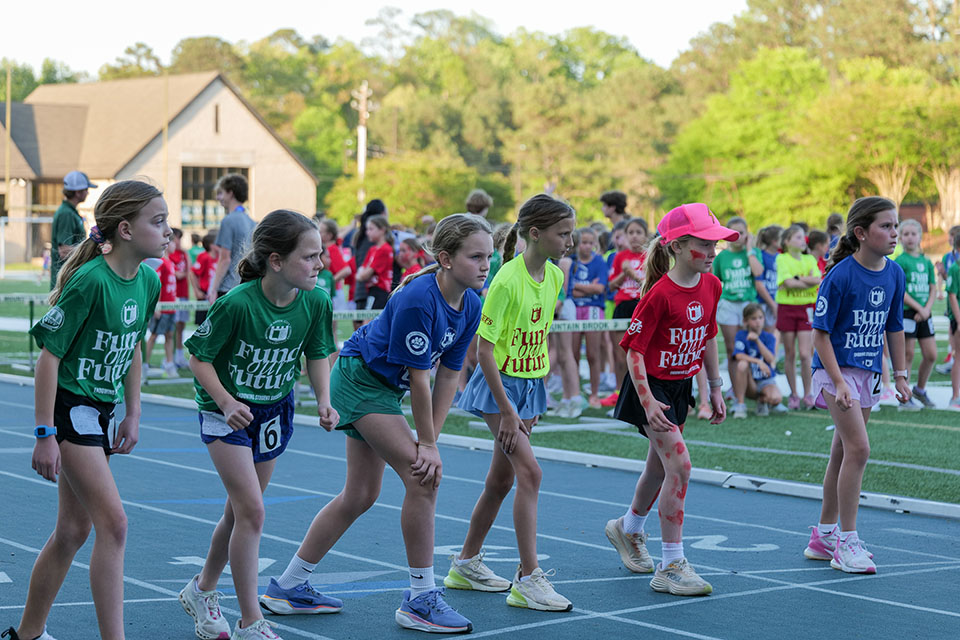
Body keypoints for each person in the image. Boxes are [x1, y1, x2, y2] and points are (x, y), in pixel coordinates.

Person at [259, 214, 491, 634]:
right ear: (445, 258)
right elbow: (420, 379)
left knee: (361, 494)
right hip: (360, 380)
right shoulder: (420, 298)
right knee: (423, 478)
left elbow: (449, 375)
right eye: (475, 256)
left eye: (488, 256)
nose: (484, 264)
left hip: (383, 388)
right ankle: (421, 597)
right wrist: (426, 446)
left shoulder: (471, 304)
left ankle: (288, 586)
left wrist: (431, 439)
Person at [5, 181, 167, 640]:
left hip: (101, 410)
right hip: (70, 408)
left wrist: (133, 412)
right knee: (113, 524)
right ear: (125, 230)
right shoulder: (90, 281)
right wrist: (43, 434)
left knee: (72, 532)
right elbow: (48, 358)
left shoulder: (148, 282)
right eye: (157, 222)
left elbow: (133, 346)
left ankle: (27, 633)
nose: (168, 230)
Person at [179, 210, 338, 640]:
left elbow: (318, 353)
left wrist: (323, 401)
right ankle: (252, 622)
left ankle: (201, 589)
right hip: (226, 412)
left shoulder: (316, 300)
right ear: (276, 260)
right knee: (252, 510)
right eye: (309, 257)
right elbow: (199, 358)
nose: (319, 265)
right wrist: (227, 401)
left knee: (238, 514)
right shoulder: (237, 302)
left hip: (273, 410)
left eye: (320, 255)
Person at [448, 194, 575, 612]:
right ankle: (528, 578)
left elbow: (537, 336)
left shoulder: (555, 276)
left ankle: (465, 562)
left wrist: (534, 392)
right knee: (531, 473)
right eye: (563, 233)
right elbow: (484, 351)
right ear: (535, 234)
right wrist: (506, 410)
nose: (570, 241)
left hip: (527, 386)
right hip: (498, 389)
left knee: (501, 481)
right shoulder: (505, 280)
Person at [605, 202, 729, 597]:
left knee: (659, 470)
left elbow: (708, 336)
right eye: (704, 244)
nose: (712, 252)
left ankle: (628, 529)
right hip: (651, 388)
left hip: (680, 387)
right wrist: (648, 401)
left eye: (716, 244)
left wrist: (714, 386)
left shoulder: (712, 285)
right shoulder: (659, 294)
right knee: (681, 466)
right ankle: (671, 563)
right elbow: (633, 351)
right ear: (675, 246)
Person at [804, 197, 910, 574]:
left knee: (842, 452)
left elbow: (894, 327)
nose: (894, 233)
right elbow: (820, 335)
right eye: (886, 226)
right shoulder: (841, 275)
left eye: (896, 226)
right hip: (836, 370)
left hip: (868, 372)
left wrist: (899, 374)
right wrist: (837, 382)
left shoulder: (895, 273)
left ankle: (825, 534)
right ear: (861, 233)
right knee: (859, 449)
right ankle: (847, 542)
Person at [712, 216, 762, 395]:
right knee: (733, 349)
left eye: (742, 233)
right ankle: (736, 389)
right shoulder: (721, 257)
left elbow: (758, 272)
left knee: (751, 347)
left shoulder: (753, 252)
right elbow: (714, 281)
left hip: (749, 306)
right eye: (734, 233)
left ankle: (754, 389)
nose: (738, 236)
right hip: (728, 305)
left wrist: (749, 250)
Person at [603, 218, 647, 408]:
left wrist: (635, 275)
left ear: (646, 235)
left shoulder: (650, 255)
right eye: (630, 232)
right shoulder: (621, 257)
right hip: (622, 306)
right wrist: (624, 273)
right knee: (620, 354)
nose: (634, 236)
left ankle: (644, 395)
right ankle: (620, 393)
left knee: (643, 354)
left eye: (638, 232)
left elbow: (655, 285)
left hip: (643, 306)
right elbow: (611, 285)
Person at [894, 219, 937, 410]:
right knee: (908, 354)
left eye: (913, 234)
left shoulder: (926, 261)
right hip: (908, 312)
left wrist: (926, 309)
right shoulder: (900, 261)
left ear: (920, 236)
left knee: (931, 355)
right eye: (906, 234)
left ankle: (920, 389)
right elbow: (900, 291)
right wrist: (919, 309)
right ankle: (904, 398)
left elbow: (933, 288)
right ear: (900, 237)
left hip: (925, 312)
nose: (910, 238)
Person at [776, 224, 821, 409]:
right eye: (798, 237)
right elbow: (786, 282)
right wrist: (803, 281)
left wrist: (796, 280)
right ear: (787, 241)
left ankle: (808, 393)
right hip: (787, 308)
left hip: (806, 309)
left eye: (803, 237)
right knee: (790, 353)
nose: (803, 241)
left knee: (805, 354)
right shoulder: (782, 258)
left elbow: (817, 280)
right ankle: (794, 394)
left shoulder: (810, 259)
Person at [568, 226, 609, 408]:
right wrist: (588, 288)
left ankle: (594, 393)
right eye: (584, 242)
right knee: (573, 354)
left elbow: (600, 289)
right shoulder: (571, 262)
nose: (587, 246)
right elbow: (569, 290)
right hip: (575, 310)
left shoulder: (599, 262)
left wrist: (579, 288)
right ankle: (575, 392)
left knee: (593, 354)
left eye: (591, 243)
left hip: (594, 309)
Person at [208, 173, 254, 303]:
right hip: (244, 287)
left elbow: (224, 259)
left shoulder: (228, 221)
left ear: (230, 193)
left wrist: (213, 289)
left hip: (228, 288)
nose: (218, 198)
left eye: (220, 193)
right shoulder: (251, 221)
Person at [730, 304, 782, 417]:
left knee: (776, 398)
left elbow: (770, 358)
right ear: (745, 321)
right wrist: (758, 362)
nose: (758, 321)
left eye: (760, 317)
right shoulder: (741, 335)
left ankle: (762, 401)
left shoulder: (769, 337)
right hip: (750, 381)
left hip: (765, 381)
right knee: (742, 365)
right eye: (753, 318)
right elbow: (738, 355)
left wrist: (758, 340)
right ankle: (740, 404)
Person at [49, 171, 97, 289]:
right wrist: (93, 251)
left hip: (69, 278)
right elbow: (64, 251)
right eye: (86, 189)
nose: (88, 192)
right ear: (78, 192)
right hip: (66, 281)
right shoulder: (66, 214)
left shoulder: (70, 212)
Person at [143, 248, 178, 378]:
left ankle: (170, 364)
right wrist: (156, 306)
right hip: (163, 306)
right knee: (154, 335)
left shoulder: (170, 262)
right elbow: (157, 284)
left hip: (171, 305)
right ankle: (144, 363)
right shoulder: (160, 262)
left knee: (169, 335)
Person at [355, 214, 394, 310]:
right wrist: (361, 274)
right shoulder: (372, 249)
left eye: (371, 229)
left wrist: (362, 274)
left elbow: (364, 275)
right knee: (366, 321)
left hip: (380, 291)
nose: (367, 232)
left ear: (382, 230)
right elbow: (361, 271)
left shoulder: (385, 249)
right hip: (372, 290)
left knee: (369, 322)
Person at [167, 228, 191, 369]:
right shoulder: (169, 254)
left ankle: (180, 355)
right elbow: (178, 274)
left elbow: (187, 271)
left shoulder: (183, 254)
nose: (179, 241)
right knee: (172, 328)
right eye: (177, 238)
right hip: (172, 295)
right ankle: (170, 358)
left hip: (183, 293)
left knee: (181, 326)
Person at [754, 225, 782, 334]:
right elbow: (759, 284)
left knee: (772, 338)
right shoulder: (761, 256)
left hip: (776, 302)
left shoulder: (781, 257)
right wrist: (773, 305)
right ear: (775, 241)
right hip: (763, 303)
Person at [943, 232, 960, 410]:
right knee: (959, 357)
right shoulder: (956, 268)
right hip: (958, 318)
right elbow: (953, 295)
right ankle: (955, 396)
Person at [189, 231, 218, 326]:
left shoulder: (221, 257)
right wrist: (197, 291)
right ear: (211, 245)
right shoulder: (204, 257)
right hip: (205, 293)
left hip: (217, 293)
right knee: (203, 324)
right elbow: (193, 273)